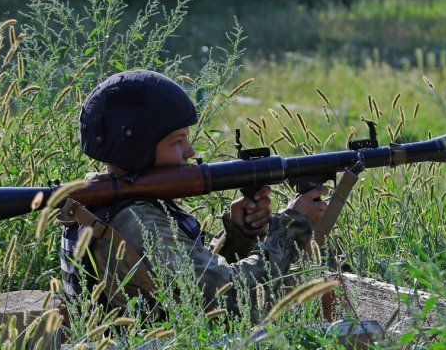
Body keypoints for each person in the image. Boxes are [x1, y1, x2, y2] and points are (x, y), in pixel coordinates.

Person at [59, 69, 327, 319]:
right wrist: (292, 224)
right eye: (176, 141)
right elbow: (231, 299)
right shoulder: (135, 219)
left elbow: (187, 282)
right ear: (137, 148)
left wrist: (238, 235)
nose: (189, 152)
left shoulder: (100, 200)